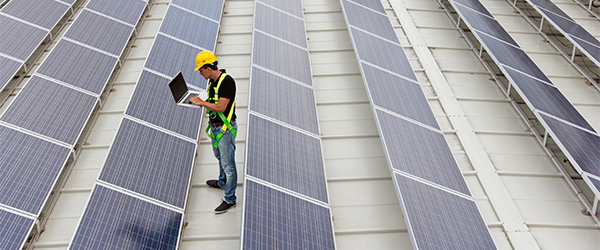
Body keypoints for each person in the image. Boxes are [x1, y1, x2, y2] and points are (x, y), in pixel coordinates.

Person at [189, 51, 238, 214]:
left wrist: (201, 102)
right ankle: (222, 182)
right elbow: (212, 100)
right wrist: (198, 100)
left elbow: (220, 107)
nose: (200, 73)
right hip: (216, 127)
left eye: (201, 70)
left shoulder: (227, 82)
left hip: (225, 129)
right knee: (219, 157)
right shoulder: (212, 81)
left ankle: (230, 199)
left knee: (228, 165)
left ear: (208, 68)